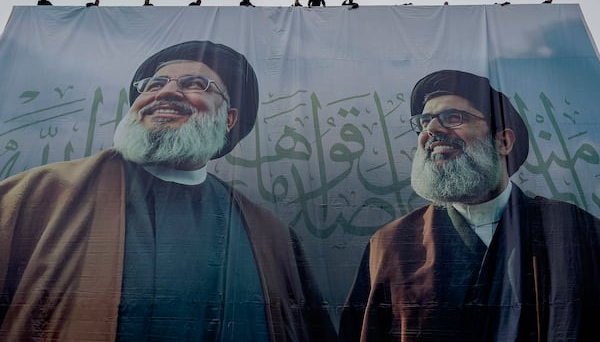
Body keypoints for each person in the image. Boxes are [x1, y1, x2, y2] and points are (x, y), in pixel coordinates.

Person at [0, 40, 337, 342]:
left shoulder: (271, 238)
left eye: (195, 84)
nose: (165, 93)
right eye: (154, 85)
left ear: (229, 119)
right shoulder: (38, 195)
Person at [340, 69, 600, 342]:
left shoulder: (573, 231)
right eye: (425, 122)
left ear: (503, 142)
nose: (432, 131)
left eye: (453, 117)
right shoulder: (392, 243)